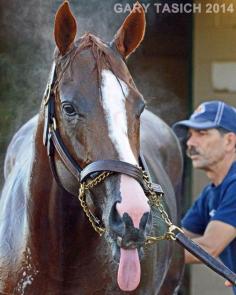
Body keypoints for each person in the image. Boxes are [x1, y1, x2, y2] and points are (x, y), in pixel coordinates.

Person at [173, 100, 236, 294]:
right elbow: (179, 239)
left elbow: (209, 247)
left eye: (202, 133)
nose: (190, 143)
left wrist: (144, 256)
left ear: (230, 141)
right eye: (190, 135)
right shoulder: (211, 194)